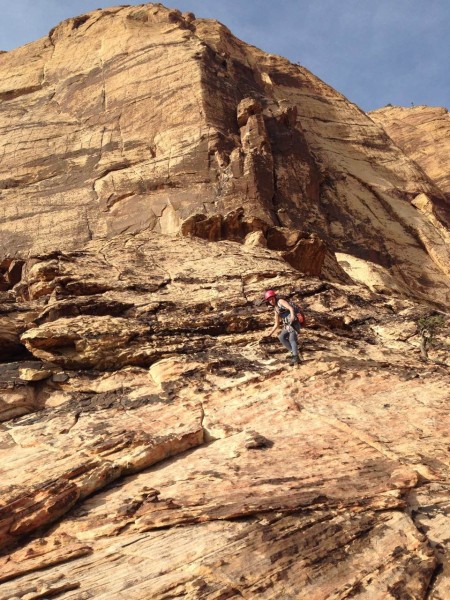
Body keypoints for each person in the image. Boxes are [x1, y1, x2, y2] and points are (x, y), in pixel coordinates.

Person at [260, 289, 301, 365]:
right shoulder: (276, 309)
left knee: (292, 339)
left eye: (272, 299)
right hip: (287, 325)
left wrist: (292, 316)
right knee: (281, 337)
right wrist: (270, 334)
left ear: (275, 297)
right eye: (269, 300)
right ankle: (294, 354)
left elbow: (290, 308)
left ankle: (296, 357)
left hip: (294, 322)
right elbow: (277, 324)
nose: (271, 301)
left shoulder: (280, 301)